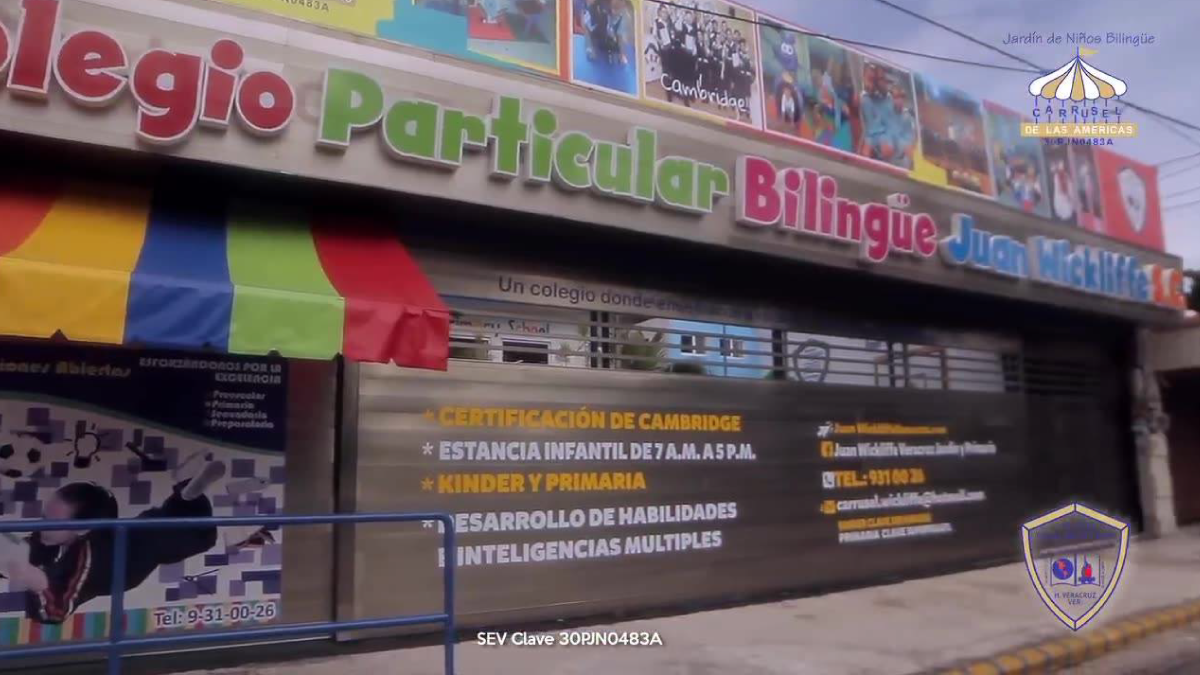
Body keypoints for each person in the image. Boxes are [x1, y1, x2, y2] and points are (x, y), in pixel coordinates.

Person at [0, 460, 226, 625]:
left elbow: (56, 612)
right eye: (44, 516)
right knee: (162, 519)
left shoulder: (88, 559)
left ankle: (186, 492)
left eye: (53, 521)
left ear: (83, 530)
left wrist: (31, 577)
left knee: (199, 537)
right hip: (131, 533)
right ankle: (185, 490)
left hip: (129, 562)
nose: (43, 526)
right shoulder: (49, 539)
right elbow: (24, 548)